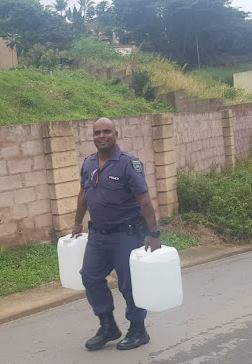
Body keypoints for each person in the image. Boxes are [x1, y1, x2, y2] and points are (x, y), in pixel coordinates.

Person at [71, 117, 162, 351]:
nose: (101, 136)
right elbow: (83, 195)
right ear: (92, 136)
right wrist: (77, 222)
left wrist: (154, 233)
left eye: (106, 132)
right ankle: (108, 325)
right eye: (97, 132)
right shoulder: (89, 163)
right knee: (90, 277)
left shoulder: (128, 164)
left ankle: (138, 330)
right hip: (98, 236)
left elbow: (144, 201)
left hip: (125, 235)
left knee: (129, 285)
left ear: (116, 134)